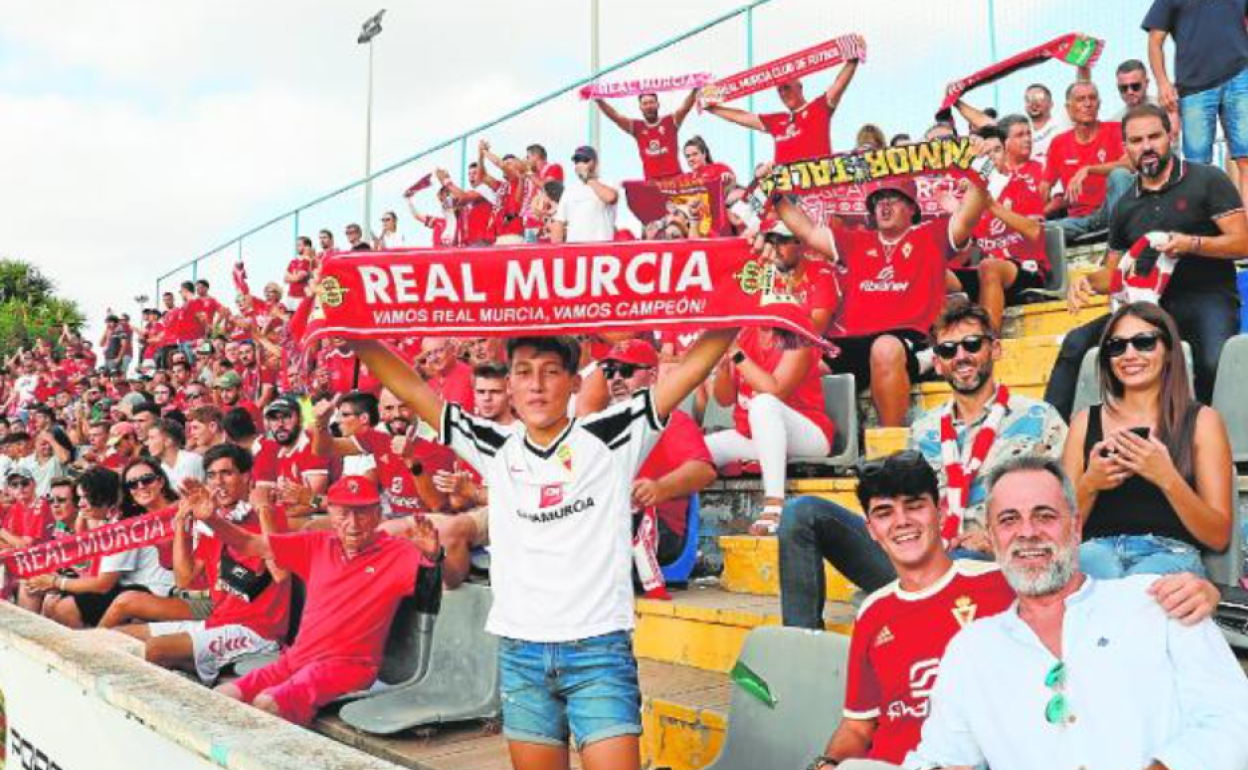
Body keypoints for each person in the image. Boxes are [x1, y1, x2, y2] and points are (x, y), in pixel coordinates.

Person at [351, 327, 736, 770]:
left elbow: (688, 372)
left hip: (598, 651)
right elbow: (412, 389)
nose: (536, 384)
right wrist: (352, 335)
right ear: (510, 384)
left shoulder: (613, 436)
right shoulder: (493, 444)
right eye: (524, 372)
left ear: (574, 383)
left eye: (551, 372)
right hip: (522, 652)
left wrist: (737, 313)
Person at [811, 453, 1221, 770]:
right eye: (884, 513)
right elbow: (858, 725)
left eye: (914, 506)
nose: (901, 522)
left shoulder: (1004, 578)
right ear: (870, 529)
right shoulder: (876, 613)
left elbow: (1080, 589)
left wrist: (1201, 592)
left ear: (939, 513)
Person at [779, 303, 1066, 624]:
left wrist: (998, 538)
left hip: (988, 563)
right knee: (801, 513)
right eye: (947, 350)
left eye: (972, 345)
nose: (961, 357)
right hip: (922, 554)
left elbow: (1062, 505)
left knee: (956, 565)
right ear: (939, 363)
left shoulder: (1039, 418)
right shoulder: (924, 429)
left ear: (995, 349)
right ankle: (802, 646)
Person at [1046, 104, 1248, 415]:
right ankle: (1049, 440)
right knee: (1076, 344)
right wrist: (1085, 280)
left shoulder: (1207, 179)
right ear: (1125, 147)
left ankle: (1215, 445)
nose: (1147, 147)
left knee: (1213, 360)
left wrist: (1192, 244)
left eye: (1154, 136)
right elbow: (1113, 274)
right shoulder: (1124, 206)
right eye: (1137, 141)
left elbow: (1242, 243)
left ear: (1170, 135)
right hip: (1148, 307)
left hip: (1208, 297)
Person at [194, 474, 441, 726]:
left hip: (349, 666)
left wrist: (435, 559)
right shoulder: (318, 543)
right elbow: (249, 543)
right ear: (331, 514)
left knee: (266, 703)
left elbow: (436, 593)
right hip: (297, 659)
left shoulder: (398, 551)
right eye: (344, 514)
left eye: (363, 513)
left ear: (378, 514)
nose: (353, 523)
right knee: (220, 697)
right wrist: (212, 519)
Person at [768, 170, 991, 427]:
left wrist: (976, 173)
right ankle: (813, 443)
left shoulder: (932, 235)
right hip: (852, 341)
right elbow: (806, 232)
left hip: (908, 338)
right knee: (800, 362)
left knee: (884, 347)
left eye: (893, 198)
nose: (884, 205)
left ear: (911, 207)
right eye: (878, 199)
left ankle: (889, 445)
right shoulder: (856, 242)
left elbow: (968, 215)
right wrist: (776, 198)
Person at [1062, 302, 1233, 578]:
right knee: (1095, 576)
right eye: (1117, 345)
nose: (1129, 354)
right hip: (1093, 550)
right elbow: (1059, 531)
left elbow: (1218, 536)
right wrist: (1090, 484)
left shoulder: (1202, 421)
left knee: (1137, 593)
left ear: (1167, 351)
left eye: (1144, 342)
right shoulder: (1084, 421)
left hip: (1169, 553)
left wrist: (1165, 476)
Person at [124, 444, 290, 683]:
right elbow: (184, 582)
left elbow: (281, 574)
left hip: (257, 631)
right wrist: (181, 521)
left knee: (155, 649)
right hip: (214, 620)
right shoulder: (216, 522)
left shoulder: (271, 516)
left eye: (227, 473)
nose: (218, 482)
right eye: (212, 475)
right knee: (121, 637)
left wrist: (263, 508)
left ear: (246, 477)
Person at [708, 323, 833, 535]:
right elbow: (724, 399)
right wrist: (722, 367)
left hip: (809, 435)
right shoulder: (744, 334)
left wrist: (736, 353)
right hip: (756, 437)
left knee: (764, 403)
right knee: (698, 451)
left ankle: (774, 503)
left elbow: (775, 390)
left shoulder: (798, 337)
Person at [602, 340, 716, 565]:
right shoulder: (599, 422)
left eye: (626, 371)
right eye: (609, 371)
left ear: (653, 376)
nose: (616, 379)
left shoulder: (672, 419)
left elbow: (704, 470)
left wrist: (661, 488)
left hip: (658, 530)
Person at [33, 462, 175, 629]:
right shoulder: (115, 517)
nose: (80, 504)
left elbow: (103, 584)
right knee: (52, 599)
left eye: (86, 497)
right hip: (130, 586)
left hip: (150, 591)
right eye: (79, 498)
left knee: (65, 608)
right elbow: (86, 553)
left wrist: (56, 582)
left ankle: (89, 648)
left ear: (104, 495)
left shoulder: (123, 522)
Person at [948, 118, 1048, 332]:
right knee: (935, 271)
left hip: (1025, 270)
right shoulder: (969, 197)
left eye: (997, 150)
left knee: (989, 266)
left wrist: (991, 205)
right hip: (988, 273)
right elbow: (966, 253)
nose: (992, 157)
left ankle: (988, 341)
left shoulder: (1022, 183)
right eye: (986, 153)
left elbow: (1035, 231)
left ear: (1005, 153)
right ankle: (935, 346)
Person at [1145, 0, 1248, 205]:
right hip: (1194, 88)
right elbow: (1155, 40)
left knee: (1246, 158)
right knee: (1197, 169)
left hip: (1240, 76)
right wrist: (1163, 83)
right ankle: (1204, 231)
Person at [706, 50, 862, 163]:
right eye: (779, 90)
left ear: (799, 86)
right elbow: (741, 116)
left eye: (786, 87)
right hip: (786, 196)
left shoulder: (818, 107)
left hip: (816, 192)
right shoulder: (778, 120)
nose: (783, 93)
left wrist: (853, 57)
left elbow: (839, 84)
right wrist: (712, 108)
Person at [1043, 82, 1127, 225]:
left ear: (1099, 104)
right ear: (1068, 108)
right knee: (1042, 230)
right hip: (1079, 220)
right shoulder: (1059, 143)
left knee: (1120, 174)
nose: (1087, 104)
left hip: (1111, 213)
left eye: (1092, 98)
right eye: (1080, 99)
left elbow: (1130, 165)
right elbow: (1044, 186)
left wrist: (1089, 169)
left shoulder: (1117, 130)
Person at [595, 90, 698, 180]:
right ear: (640, 107)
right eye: (645, 103)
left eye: (651, 102)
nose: (649, 106)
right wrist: (598, 100)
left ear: (658, 104)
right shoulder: (636, 127)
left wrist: (695, 89)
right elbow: (615, 116)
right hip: (652, 184)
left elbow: (685, 108)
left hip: (675, 179)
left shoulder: (670, 121)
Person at [550, 146, 618, 244]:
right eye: (577, 161)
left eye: (585, 160)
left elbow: (610, 197)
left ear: (595, 163)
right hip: (575, 248)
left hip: (601, 248)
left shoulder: (608, 183)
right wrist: (556, 250)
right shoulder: (570, 190)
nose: (580, 164)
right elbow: (559, 222)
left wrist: (588, 179)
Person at [285, 236, 316, 301]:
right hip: (290, 297)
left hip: (303, 298)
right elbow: (285, 279)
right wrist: (294, 277)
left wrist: (292, 277)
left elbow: (298, 278)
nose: (297, 247)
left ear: (307, 247)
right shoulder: (293, 261)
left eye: (299, 245)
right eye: (296, 245)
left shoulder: (310, 261)